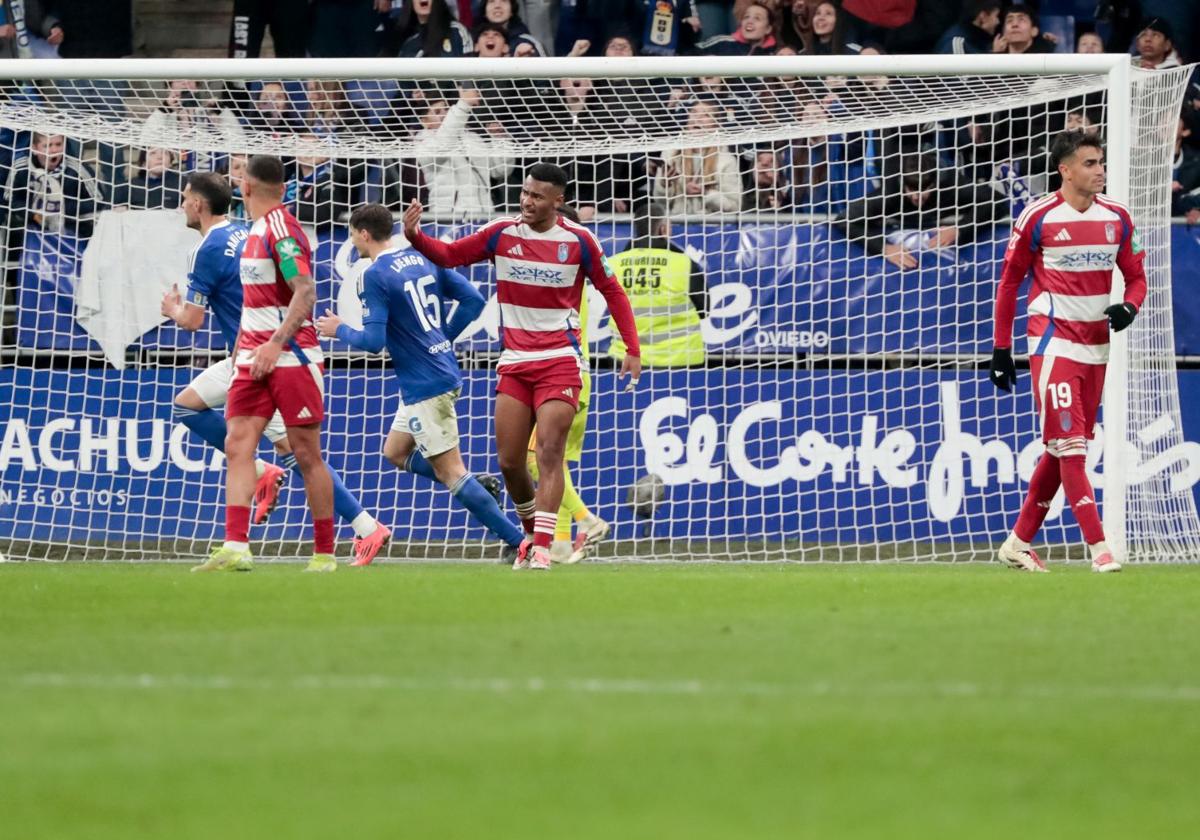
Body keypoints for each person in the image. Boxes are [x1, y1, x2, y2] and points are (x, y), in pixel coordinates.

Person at [402, 162, 642, 571]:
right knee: (510, 463)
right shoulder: (502, 233)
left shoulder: (579, 240)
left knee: (549, 453)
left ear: (557, 200)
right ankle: (531, 533)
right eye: (525, 193)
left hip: (561, 362)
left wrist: (632, 348)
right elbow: (451, 255)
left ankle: (544, 549)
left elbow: (612, 290)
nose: (527, 201)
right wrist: (415, 236)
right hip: (515, 362)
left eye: (536, 196)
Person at [164, 173, 390, 569]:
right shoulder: (244, 233)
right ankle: (245, 537)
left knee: (296, 451)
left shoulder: (222, 244)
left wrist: (173, 311)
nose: (182, 204)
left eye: (185, 198)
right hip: (249, 352)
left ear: (199, 203)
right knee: (248, 441)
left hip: (277, 353)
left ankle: (353, 529)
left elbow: (195, 319)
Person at [315, 203, 526, 564]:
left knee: (450, 472)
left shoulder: (374, 276)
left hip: (427, 383)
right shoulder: (422, 258)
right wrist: (442, 337)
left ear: (364, 234)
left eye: (352, 234)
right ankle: (479, 487)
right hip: (432, 374)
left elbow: (373, 342)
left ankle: (518, 542)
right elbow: (474, 300)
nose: (352, 241)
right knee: (395, 452)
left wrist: (339, 331)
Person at [989, 131, 1147, 574]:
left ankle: (1017, 543)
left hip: (1096, 348)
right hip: (1051, 341)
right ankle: (1101, 551)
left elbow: (1136, 277)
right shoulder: (1037, 216)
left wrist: (1129, 306)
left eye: (1101, 163)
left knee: (1061, 451)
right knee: (1071, 445)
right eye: (1091, 163)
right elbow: (1009, 284)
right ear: (1066, 169)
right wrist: (1002, 349)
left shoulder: (1117, 217)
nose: (1100, 171)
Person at [191, 156, 336, 573]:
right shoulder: (254, 229)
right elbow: (256, 299)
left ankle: (324, 554)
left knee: (307, 455)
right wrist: (242, 344)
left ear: (246, 187)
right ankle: (236, 546)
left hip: (292, 357)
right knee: (238, 444)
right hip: (252, 357)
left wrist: (274, 343)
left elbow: (305, 291)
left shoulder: (280, 228)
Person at [523, 204, 610, 564]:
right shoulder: (579, 276)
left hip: (563, 379)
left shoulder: (562, 276)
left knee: (533, 459)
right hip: (580, 378)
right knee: (554, 464)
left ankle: (585, 519)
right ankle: (558, 542)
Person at [832, 152, 1006, 269]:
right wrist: (884, 248)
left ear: (935, 184)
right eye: (911, 190)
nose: (917, 197)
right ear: (903, 185)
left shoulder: (950, 183)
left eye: (924, 190)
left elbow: (998, 201)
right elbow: (843, 220)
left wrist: (959, 229)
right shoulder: (891, 192)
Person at [609, 200, 707, 367]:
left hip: (626, 360)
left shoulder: (614, 264)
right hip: (681, 360)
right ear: (663, 229)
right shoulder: (683, 263)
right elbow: (705, 309)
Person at [413, 87, 513, 220]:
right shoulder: (423, 141)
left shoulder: (473, 137)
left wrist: (500, 140)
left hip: (484, 216)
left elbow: (500, 171)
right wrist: (463, 105)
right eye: (437, 111)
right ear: (424, 121)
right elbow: (442, 145)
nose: (444, 114)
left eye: (446, 109)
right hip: (447, 219)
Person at [653, 100, 742, 216]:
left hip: (713, 228)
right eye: (693, 112)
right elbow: (659, 202)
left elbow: (734, 206)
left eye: (706, 115)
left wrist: (705, 193)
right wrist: (665, 185)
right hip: (678, 225)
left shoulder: (726, 160)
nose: (697, 118)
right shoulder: (670, 154)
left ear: (716, 126)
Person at [3, 131, 98, 239]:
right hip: (30, 225)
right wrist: (33, 213)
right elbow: (9, 199)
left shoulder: (77, 169)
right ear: (34, 148)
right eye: (47, 146)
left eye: (58, 144)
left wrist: (61, 210)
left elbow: (98, 201)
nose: (53, 150)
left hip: (71, 228)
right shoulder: (21, 167)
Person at [111, 148, 183, 210]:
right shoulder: (129, 186)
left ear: (171, 162)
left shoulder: (182, 183)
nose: (160, 157)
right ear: (144, 163)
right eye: (153, 153)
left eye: (165, 153)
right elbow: (107, 211)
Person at [935, 0, 1000, 55]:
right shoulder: (956, 43)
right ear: (983, 16)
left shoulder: (982, 42)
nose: (998, 22)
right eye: (996, 16)